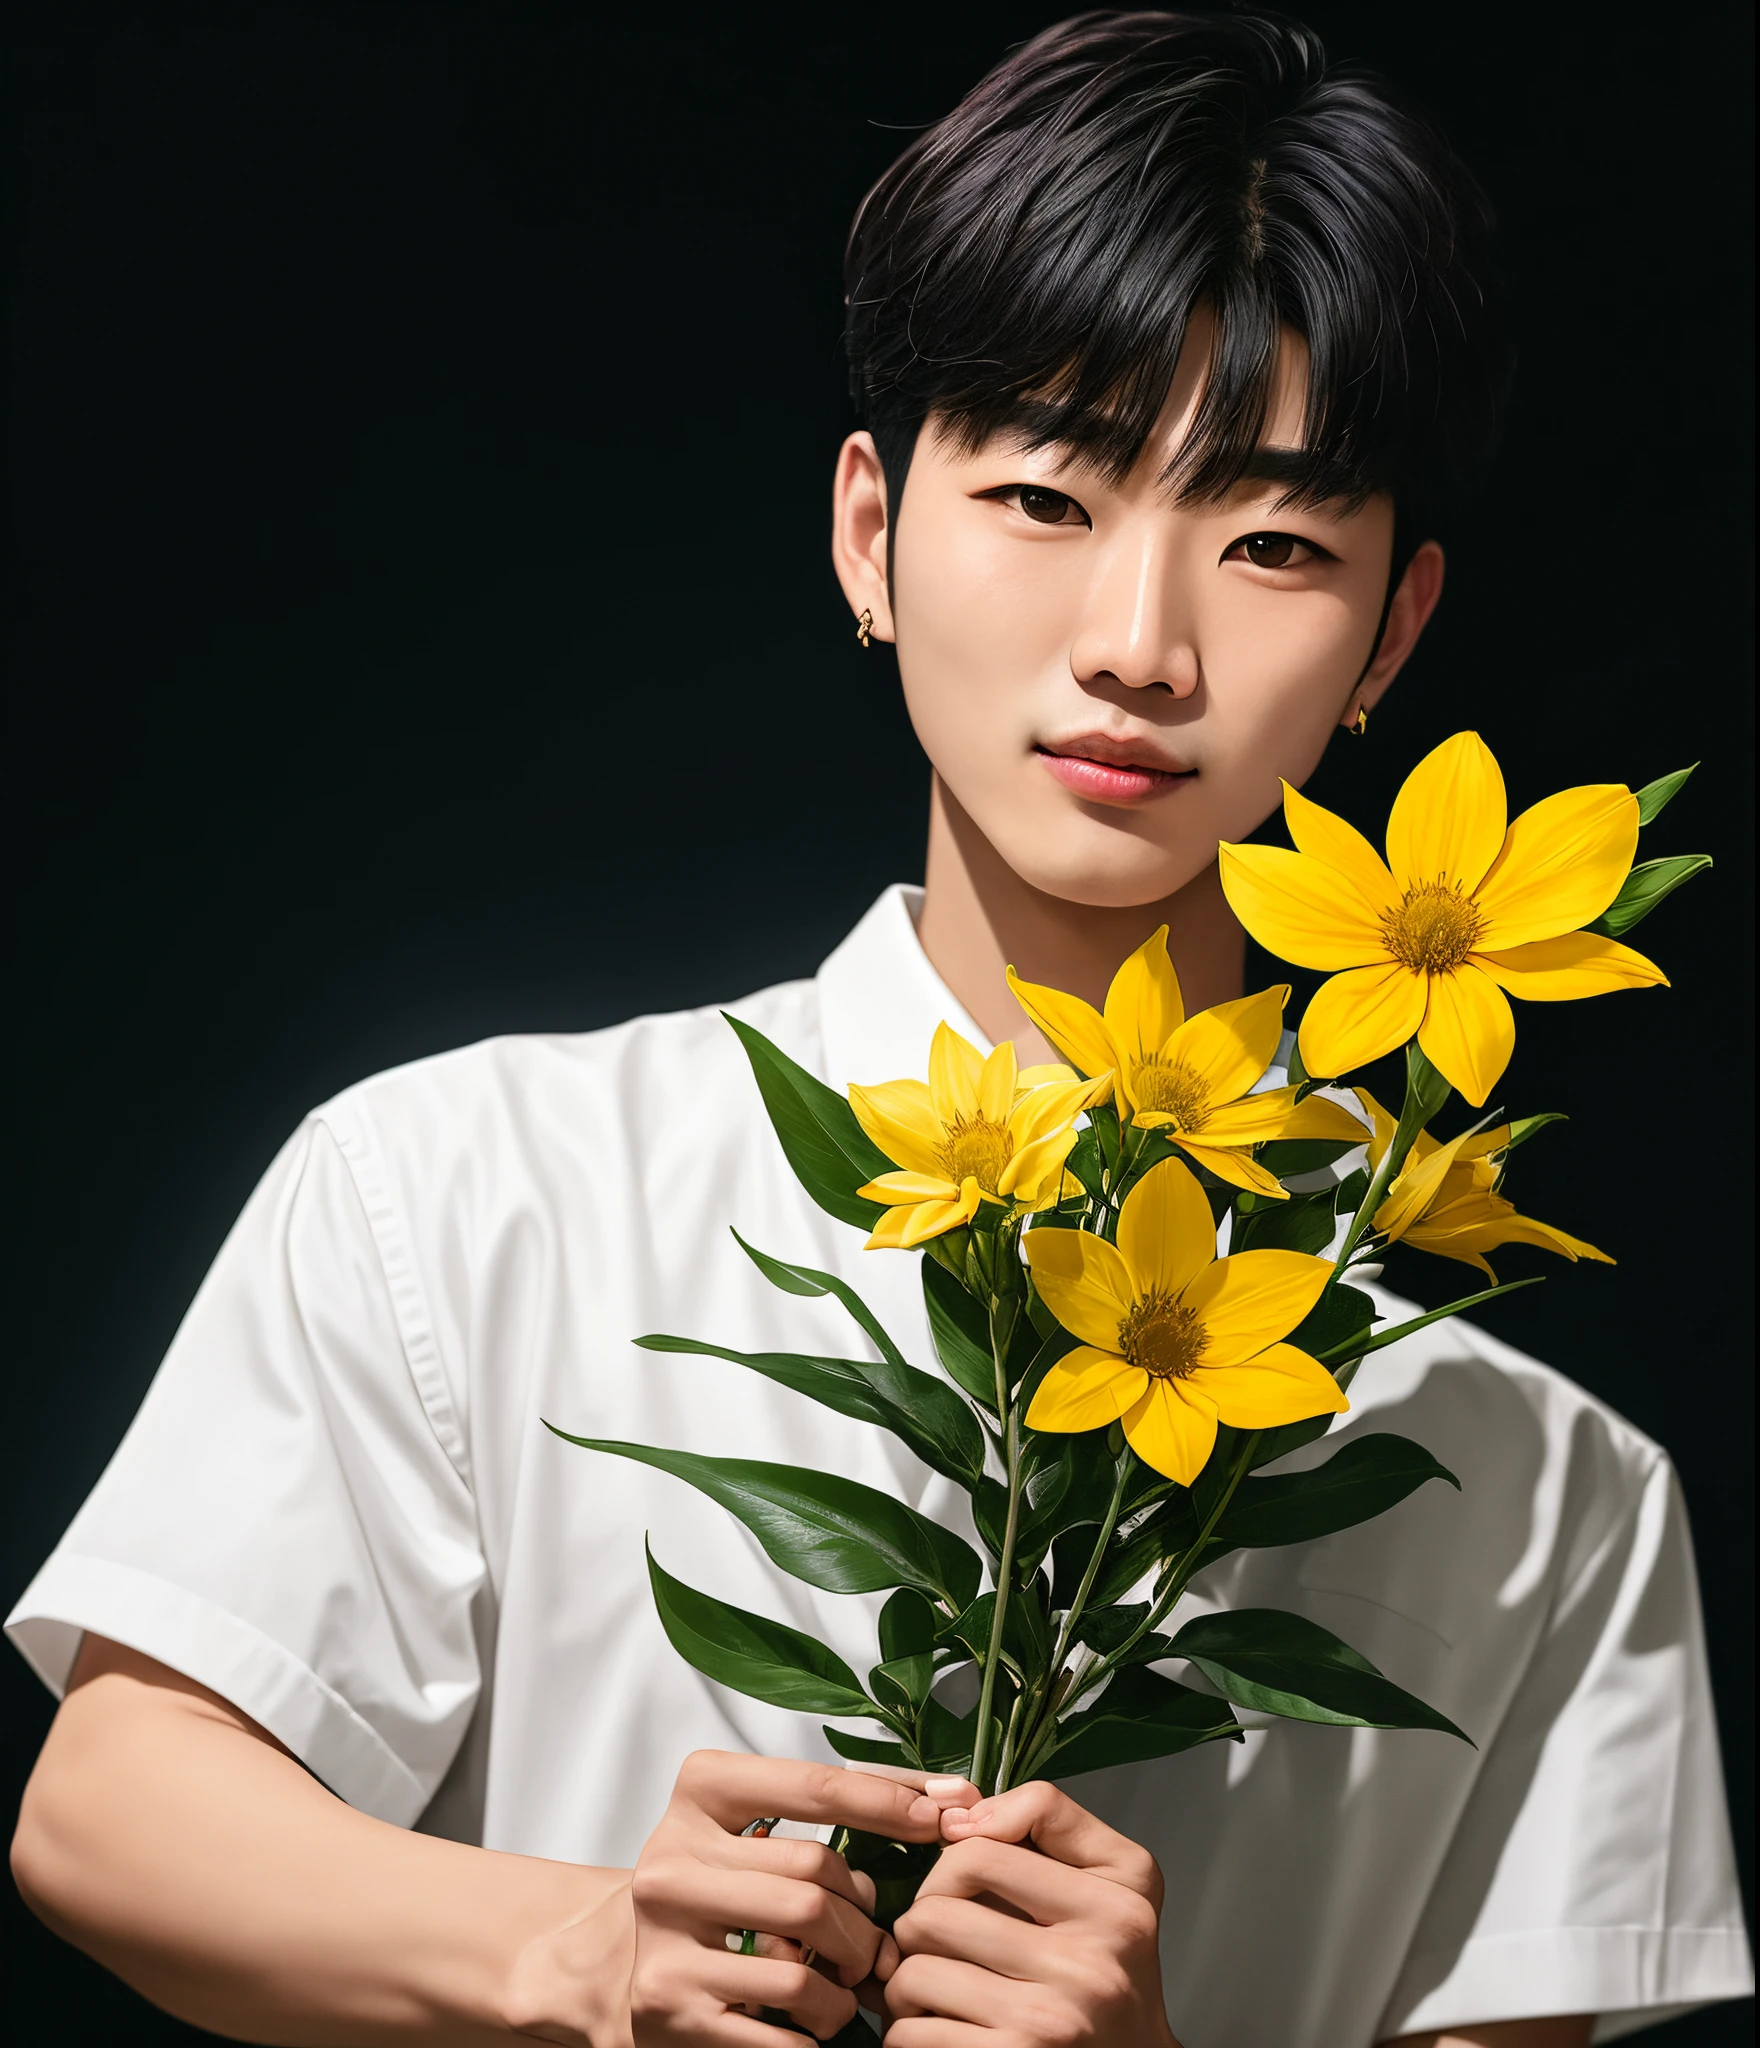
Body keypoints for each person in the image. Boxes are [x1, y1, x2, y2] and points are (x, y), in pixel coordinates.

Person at [8, 12, 1751, 2046]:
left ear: (1393, 637)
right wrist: (572, 1951)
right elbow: (112, 1804)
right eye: (1043, 495)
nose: (1137, 644)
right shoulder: (467, 1186)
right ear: (869, 531)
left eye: (1272, 542)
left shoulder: (1543, 1486)